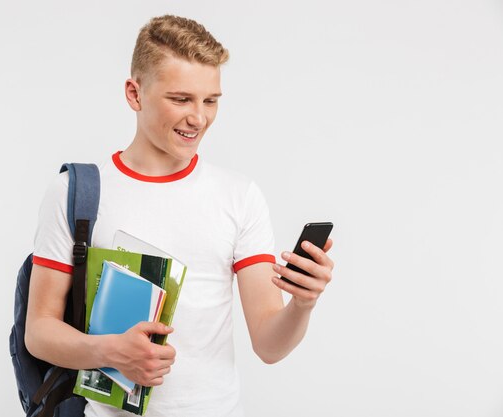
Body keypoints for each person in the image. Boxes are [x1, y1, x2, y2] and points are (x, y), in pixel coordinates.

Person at [25, 14, 334, 417]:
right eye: (181, 99)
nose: (199, 118)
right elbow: (39, 331)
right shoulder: (76, 193)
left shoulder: (239, 196)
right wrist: (108, 350)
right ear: (134, 94)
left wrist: (302, 304)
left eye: (210, 101)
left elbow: (269, 346)